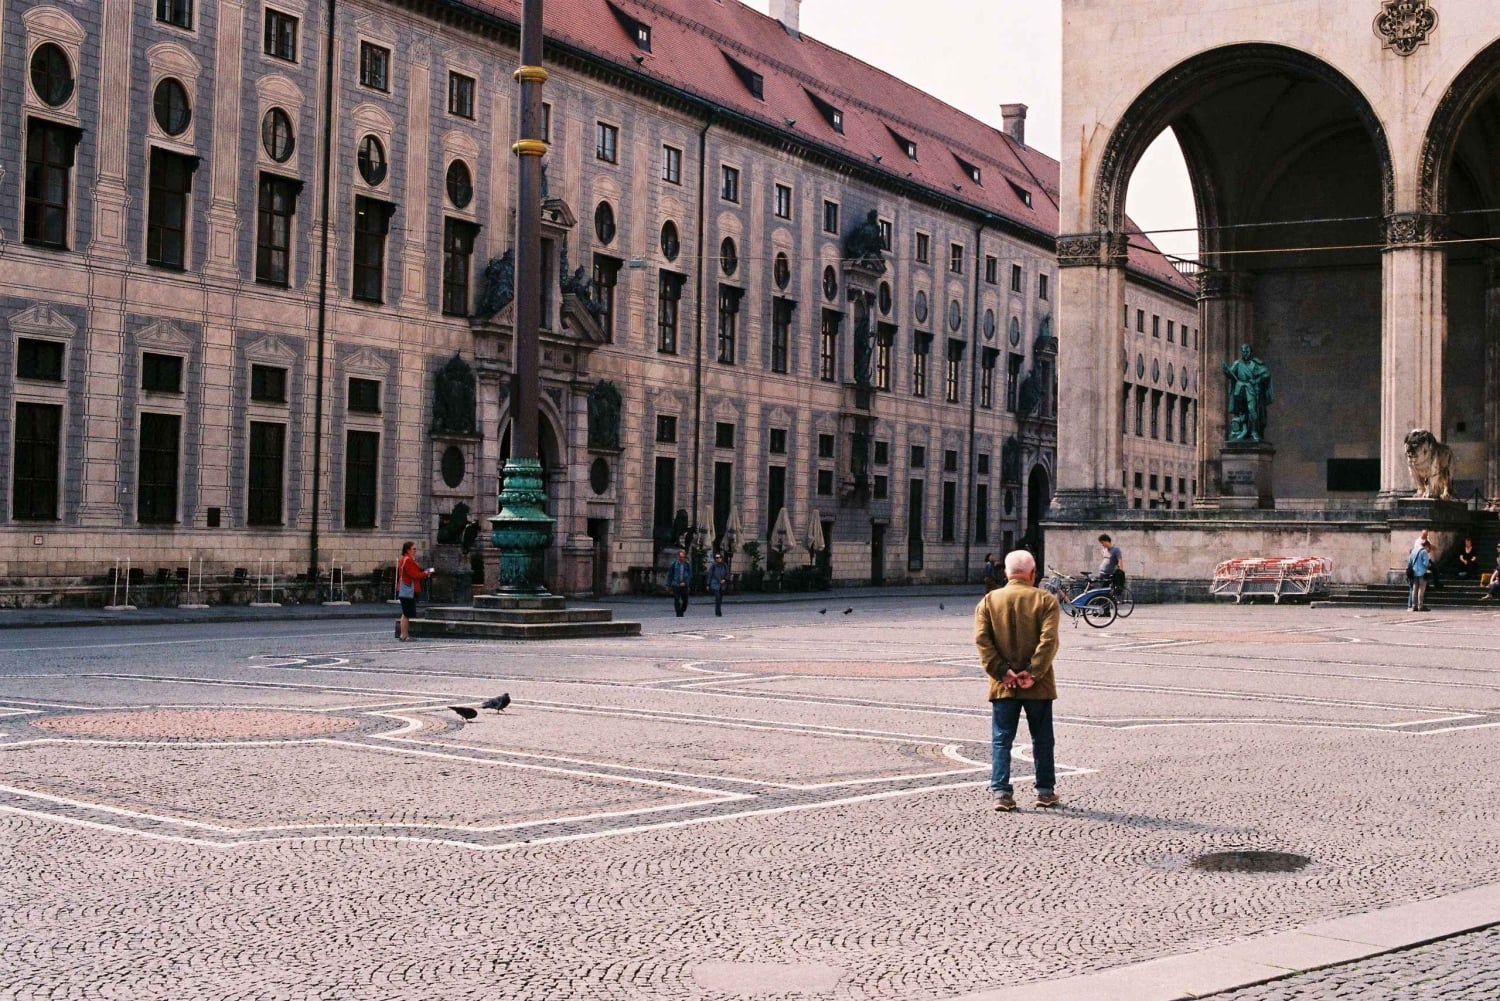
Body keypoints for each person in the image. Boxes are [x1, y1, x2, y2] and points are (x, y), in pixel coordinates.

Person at [973, 550, 1061, 812]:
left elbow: (983, 641)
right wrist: (1032, 673)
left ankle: (1001, 792)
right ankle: (1045, 792)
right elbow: (1049, 642)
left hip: (1004, 685)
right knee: (1042, 738)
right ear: (1033, 574)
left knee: (1002, 739)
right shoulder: (1045, 601)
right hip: (1039, 684)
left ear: (1006, 573)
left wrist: (1002, 672)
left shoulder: (989, 601)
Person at [1222, 342, 1274, 442]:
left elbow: (1266, 373)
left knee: (1252, 410)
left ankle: (1254, 431)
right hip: (1240, 389)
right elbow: (1231, 373)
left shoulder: (1256, 364)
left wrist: (1257, 380)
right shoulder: (1238, 363)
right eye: (1243, 351)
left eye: (1247, 351)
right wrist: (1226, 370)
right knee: (1242, 411)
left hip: (1251, 389)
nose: (1245, 353)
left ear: (1251, 352)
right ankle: (1244, 430)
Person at [395, 541, 433, 641]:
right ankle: (404, 635)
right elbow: (414, 575)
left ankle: (404, 634)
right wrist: (426, 573)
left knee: (405, 613)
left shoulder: (403, 559)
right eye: (414, 549)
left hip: (404, 588)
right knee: (407, 613)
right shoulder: (408, 560)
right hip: (408, 590)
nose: (415, 551)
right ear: (408, 550)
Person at [1407, 538, 1433, 612]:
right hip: (1422, 573)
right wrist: (1429, 565)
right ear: (1427, 546)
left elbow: (1409, 562)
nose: (1429, 550)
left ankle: (1414, 606)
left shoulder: (1414, 550)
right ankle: (1420, 606)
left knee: (1414, 589)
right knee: (1421, 590)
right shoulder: (1424, 552)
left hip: (1414, 573)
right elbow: (1426, 563)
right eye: (1429, 548)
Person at [666, 548, 692, 617]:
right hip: (676, 584)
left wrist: (686, 582)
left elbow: (689, 575)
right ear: (678, 557)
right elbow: (670, 574)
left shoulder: (687, 564)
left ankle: (682, 610)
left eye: (683, 557)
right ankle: (678, 614)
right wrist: (668, 584)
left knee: (685, 601)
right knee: (676, 599)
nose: (681, 558)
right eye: (680, 557)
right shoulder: (674, 564)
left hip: (684, 585)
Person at [707, 551, 730, 616]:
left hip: (722, 584)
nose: (717, 559)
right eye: (716, 558)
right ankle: (718, 612)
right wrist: (708, 584)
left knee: (720, 599)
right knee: (717, 597)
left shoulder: (724, 565)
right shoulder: (713, 565)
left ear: (721, 558)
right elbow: (710, 575)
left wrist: (724, 579)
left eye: (719, 557)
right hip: (715, 583)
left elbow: (727, 574)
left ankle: (718, 610)